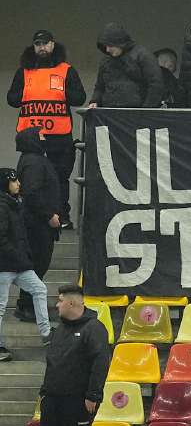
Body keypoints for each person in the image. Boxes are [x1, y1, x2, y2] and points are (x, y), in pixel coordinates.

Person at [7, 29, 85, 230]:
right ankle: (33, 217)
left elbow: (79, 98)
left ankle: (62, 216)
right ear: (33, 47)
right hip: (31, 138)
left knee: (59, 179)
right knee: (31, 180)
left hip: (59, 136)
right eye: (38, 44)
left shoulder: (66, 70)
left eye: (45, 43)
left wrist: (60, 92)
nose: (41, 47)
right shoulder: (24, 71)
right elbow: (12, 99)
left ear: (53, 45)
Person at [40, 284, 109, 426]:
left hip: (77, 401)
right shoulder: (60, 329)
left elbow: (101, 362)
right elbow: (52, 362)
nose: (57, 305)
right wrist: (44, 392)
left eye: (60, 301)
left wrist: (93, 395)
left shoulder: (94, 328)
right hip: (52, 400)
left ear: (71, 303)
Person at [0, 168, 52, 361]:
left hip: (18, 264)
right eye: (13, 181)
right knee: (0, 306)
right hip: (5, 265)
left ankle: (46, 334)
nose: (18, 184)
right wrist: (19, 256)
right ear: (5, 184)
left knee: (39, 289)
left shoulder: (13, 204)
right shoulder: (3, 206)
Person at [13, 128, 59, 324]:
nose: (45, 138)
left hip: (35, 222)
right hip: (37, 224)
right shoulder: (34, 161)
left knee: (36, 264)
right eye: (41, 136)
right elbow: (32, 192)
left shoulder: (31, 160)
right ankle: (26, 306)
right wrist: (48, 215)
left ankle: (27, 305)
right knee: (37, 263)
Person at [88, 23, 164, 108]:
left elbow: (156, 84)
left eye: (110, 45)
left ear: (119, 42)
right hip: (109, 112)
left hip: (135, 113)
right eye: (105, 46)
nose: (107, 49)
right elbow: (100, 86)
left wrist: (146, 110)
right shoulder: (106, 61)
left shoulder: (143, 56)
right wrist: (95, 101)